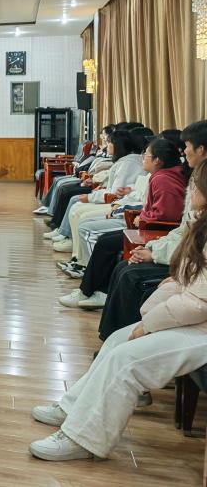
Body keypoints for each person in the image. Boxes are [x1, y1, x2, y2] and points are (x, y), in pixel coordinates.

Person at [27, 162, 207, 463]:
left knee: (126, 359)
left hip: (200, 328)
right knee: (116, 341)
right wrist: (174, 284)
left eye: (196, 184)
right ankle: (73, 408)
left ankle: (83, 439)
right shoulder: (199, 222)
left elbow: (197, 303)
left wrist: (149, 324)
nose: (190, 189)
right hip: (194, 318)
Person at [60, 137, 189, 309]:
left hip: (156, 231)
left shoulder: (164, 178)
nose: (143, 159)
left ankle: (92, 291)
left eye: (146, 155)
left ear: (157, 160)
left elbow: (168, 214)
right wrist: (142, 215)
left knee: (104, 242)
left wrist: (143, 218)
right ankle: (93, 290)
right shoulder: (164, 175)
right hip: (148, 226)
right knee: (105, 241)